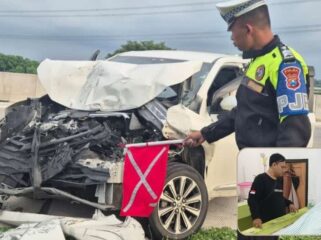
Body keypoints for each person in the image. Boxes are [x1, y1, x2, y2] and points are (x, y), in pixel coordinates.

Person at [184, 0, 311, 149]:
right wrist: (206, 133)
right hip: (251, 161)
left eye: (232, 31)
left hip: (270, 165)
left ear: (248, 29)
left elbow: (295, 127)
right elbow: (244, 112)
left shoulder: (286, 65)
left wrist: (277, 169)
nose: (231, 38)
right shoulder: (257, 62)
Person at [248, 153, 298, 229]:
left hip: (280, 223)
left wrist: (289, 203)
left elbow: (279, 197)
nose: (284, 170)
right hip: (266, 224)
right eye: (282, 167)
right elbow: (252, 199)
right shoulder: (260, 179)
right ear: (274, 165)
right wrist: (256, 217)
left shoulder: (279, 180)